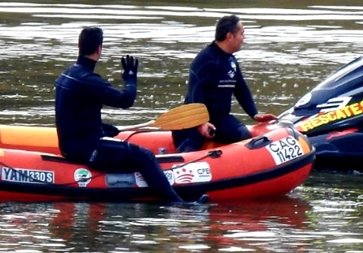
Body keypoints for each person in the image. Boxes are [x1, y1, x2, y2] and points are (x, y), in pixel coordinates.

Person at [55, 26, 201, 204]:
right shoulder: (89, 81)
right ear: (99, 49)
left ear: (79, 45)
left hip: (69, 147)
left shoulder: (66, 75)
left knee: (122, 147)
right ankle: (176, 203)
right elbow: (126, 100)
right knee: (145, 155)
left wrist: (102, 129)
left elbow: (75, 115)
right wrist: (131, 79)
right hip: (87, 151)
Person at [174, 15, 277, 152]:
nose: (243, 38)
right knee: (189, 147)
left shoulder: (231, 60)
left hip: (219, 119)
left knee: (244, 135)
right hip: (194, 119)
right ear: (230, 36)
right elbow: (195, 92)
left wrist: (254, 114)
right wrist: (201, 122)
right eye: (242, 33)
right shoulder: (205, 60)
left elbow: (241, 89)